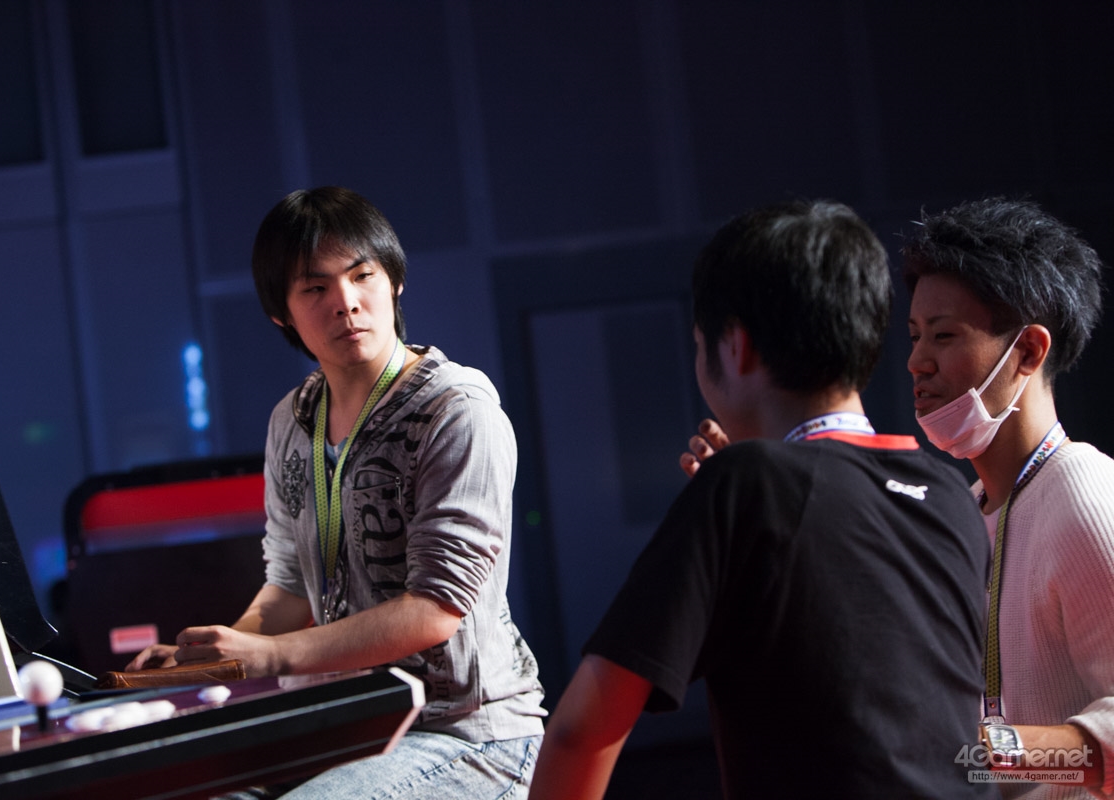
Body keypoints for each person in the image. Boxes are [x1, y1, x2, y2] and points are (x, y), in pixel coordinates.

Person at [528, 200, 998, 800]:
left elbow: (580, 732)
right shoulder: (951, 495)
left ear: (735, 346)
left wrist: (736, 491)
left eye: (700, 343)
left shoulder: (743, 483)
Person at [128, 186, 546, 798]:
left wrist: (268, 656)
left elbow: (434, 610)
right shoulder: (292, 419)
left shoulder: (456, 409)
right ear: (282, 314)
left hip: (465, 732)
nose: (346, 302)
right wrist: (219, 657)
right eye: (315, 288)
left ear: (394, 281)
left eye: (362, 275)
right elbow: (290, 586)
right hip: (345, 730)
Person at [904, 197, 1114, 798]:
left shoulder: (1084, 493)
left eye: (944, 335)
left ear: (1027, 352)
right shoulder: (970, 510)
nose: (917, 362)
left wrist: (978, 753)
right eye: (914, 336)